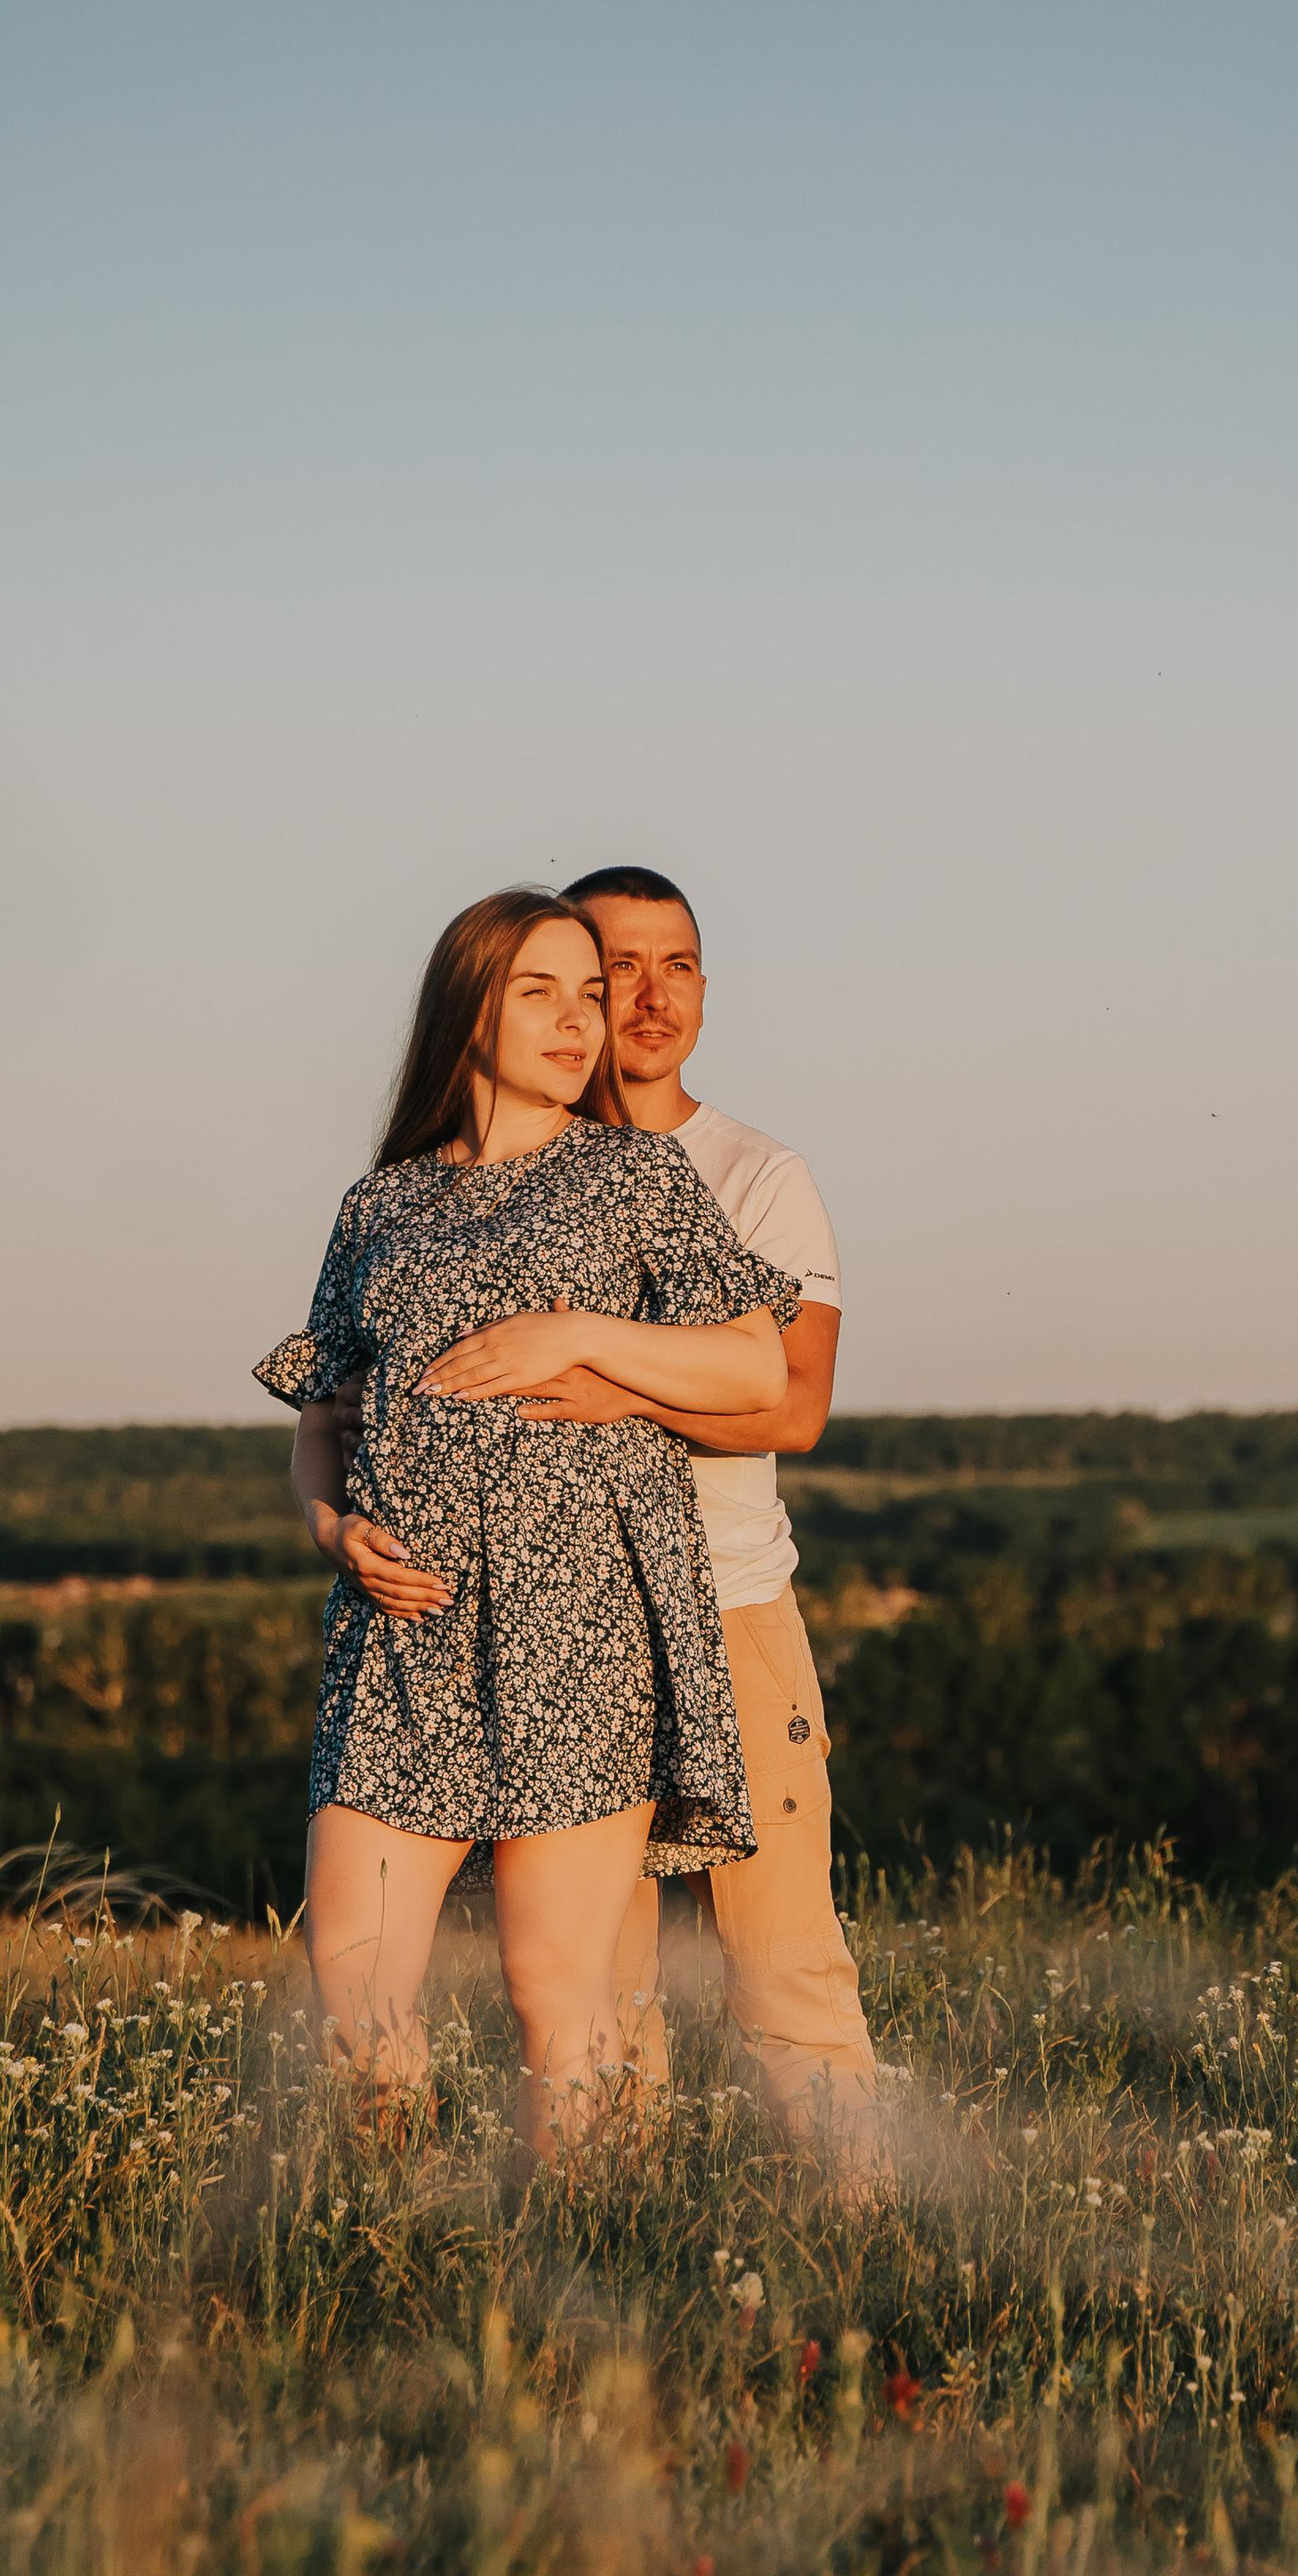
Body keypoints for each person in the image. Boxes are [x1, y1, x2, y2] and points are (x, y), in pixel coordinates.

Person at [256, 885, 802, 2162]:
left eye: (592, 995)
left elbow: (755, 1373)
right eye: (541, 993)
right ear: (469, 1009)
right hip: (400, 1638)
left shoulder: (633, 1173)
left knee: (554, 1997)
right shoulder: (379, 1205)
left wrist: (576, 1333)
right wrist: (334, 1535)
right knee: (354, 1985)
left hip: (578, 1624)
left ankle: (582, 2276)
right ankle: (398, 2247)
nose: (580, 1021)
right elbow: (324, 1421)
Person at [515, 863, 883, 2170]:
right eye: (620, 967)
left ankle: (867, 2239)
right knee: (589, 1985)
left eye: (679, 965)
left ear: (708, 989)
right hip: (572, 1614)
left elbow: (792, 1410)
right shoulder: (512, 1175)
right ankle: (603, 2251)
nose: (652, 995)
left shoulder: (758, 1172)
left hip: (731, 1605)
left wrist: (598, 1392)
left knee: (784, 1960)